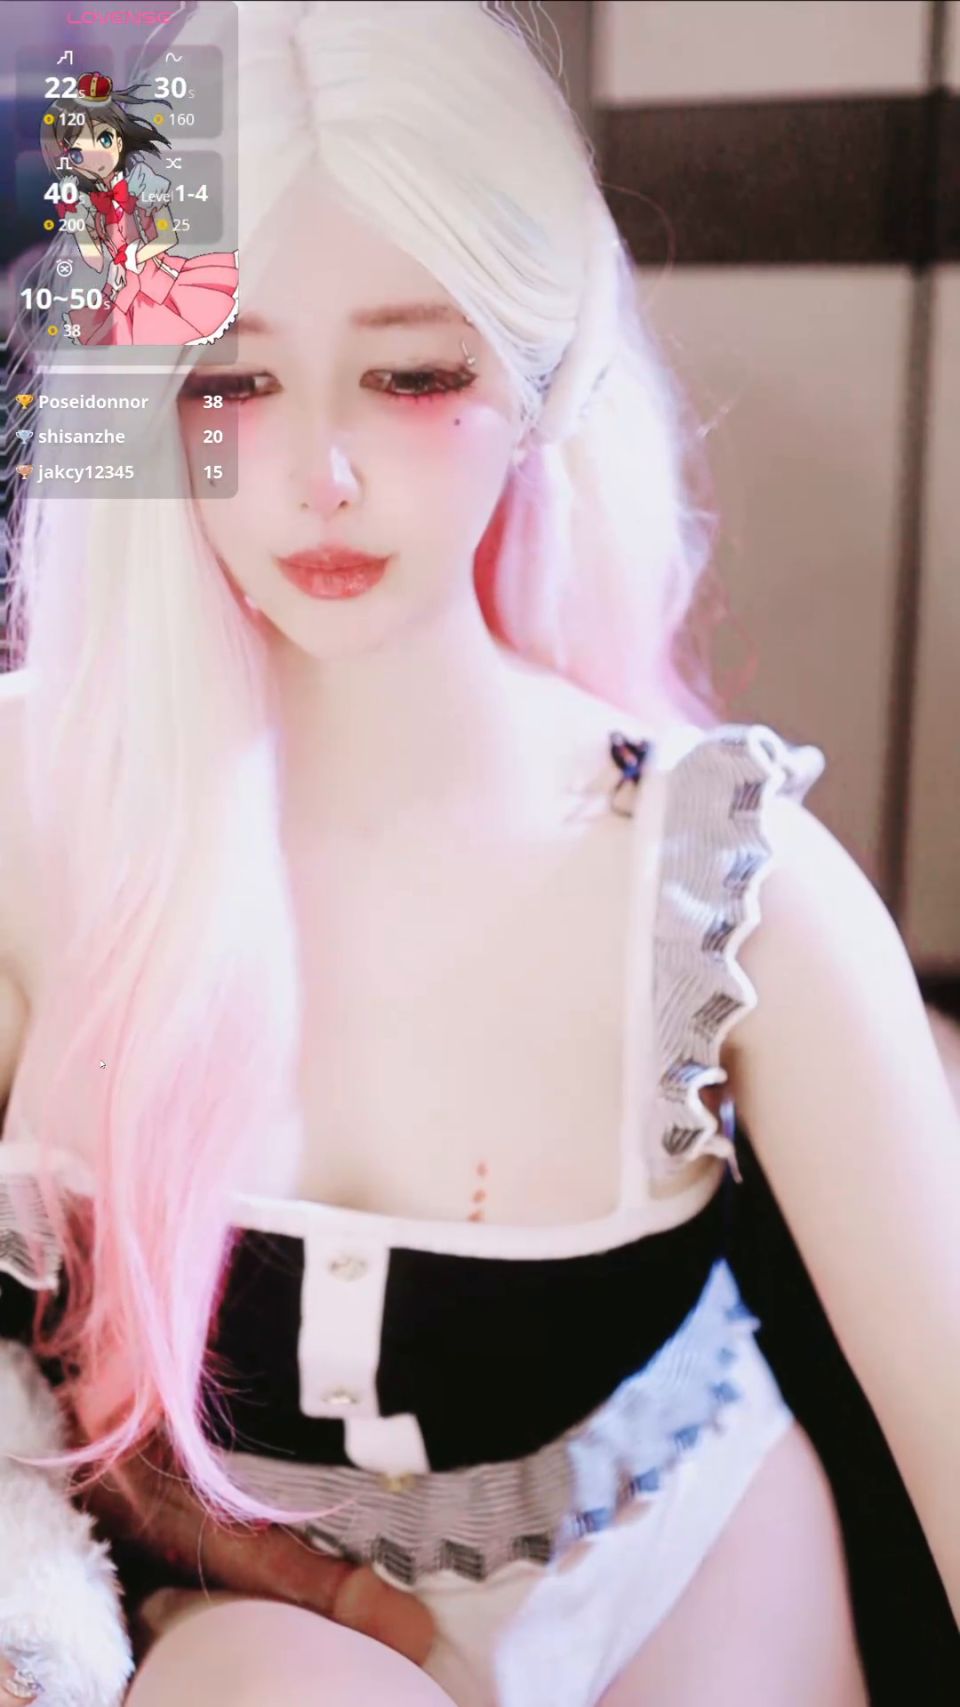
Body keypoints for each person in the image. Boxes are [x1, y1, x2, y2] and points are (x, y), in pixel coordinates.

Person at [1, 3, 958, 1703]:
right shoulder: (35, 805)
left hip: (676, 1556)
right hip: (263, 1629)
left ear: (539, 376)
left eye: (414, 372)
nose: (322, 473)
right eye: (232, 377)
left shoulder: (731, 879)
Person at [38, 75, 238, 347]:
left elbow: (167, 237)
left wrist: (133, 256)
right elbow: (96, 261)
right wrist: (78, 226)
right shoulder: (89, 204)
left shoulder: (144, 184)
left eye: (104, 140)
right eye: (78, 153)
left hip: (156, 280)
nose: (96, 157)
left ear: (119, 142)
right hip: (119, 287)